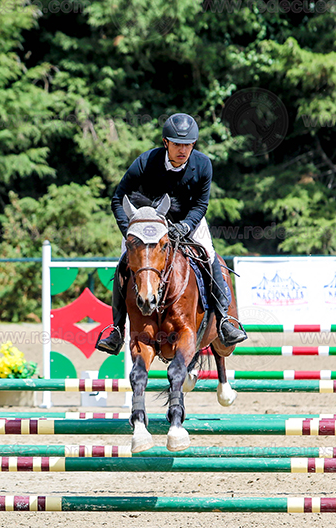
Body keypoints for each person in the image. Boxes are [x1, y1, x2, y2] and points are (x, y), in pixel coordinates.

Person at [95, 113, 248, 355]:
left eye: (188, 145)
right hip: (149, 226)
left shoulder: (203, 165)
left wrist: (186, 226)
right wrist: (130, 234)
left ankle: (224, 321)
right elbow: (118, 198)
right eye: (177, 144)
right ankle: (116, 330)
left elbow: (200, 204)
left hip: (189, 221)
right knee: (124, 262)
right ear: (166, 142)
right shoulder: (146, 161)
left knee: (209, 255)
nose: (183, 150)